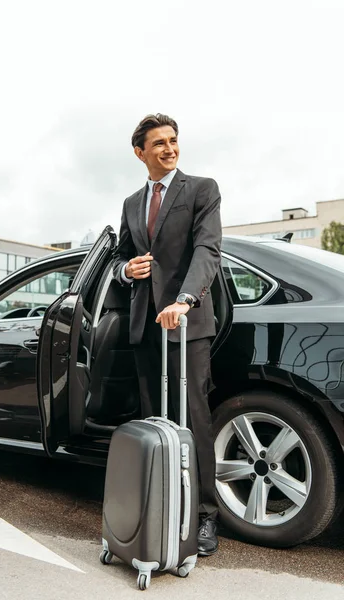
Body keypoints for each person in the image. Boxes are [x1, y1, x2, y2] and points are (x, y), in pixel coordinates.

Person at [113, 113, 222, 556]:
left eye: (173, 141)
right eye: (158, 143)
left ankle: (206, 516)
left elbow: (207, 249)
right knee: (155, 421)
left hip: (187, 324)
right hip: (146, 326)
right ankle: (161, 508)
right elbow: (123, 255)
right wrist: (125, 270)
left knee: (195, 421)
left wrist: (186, 300)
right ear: (140, 153)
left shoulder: (201, 189)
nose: (169, 148)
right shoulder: (130, 203)